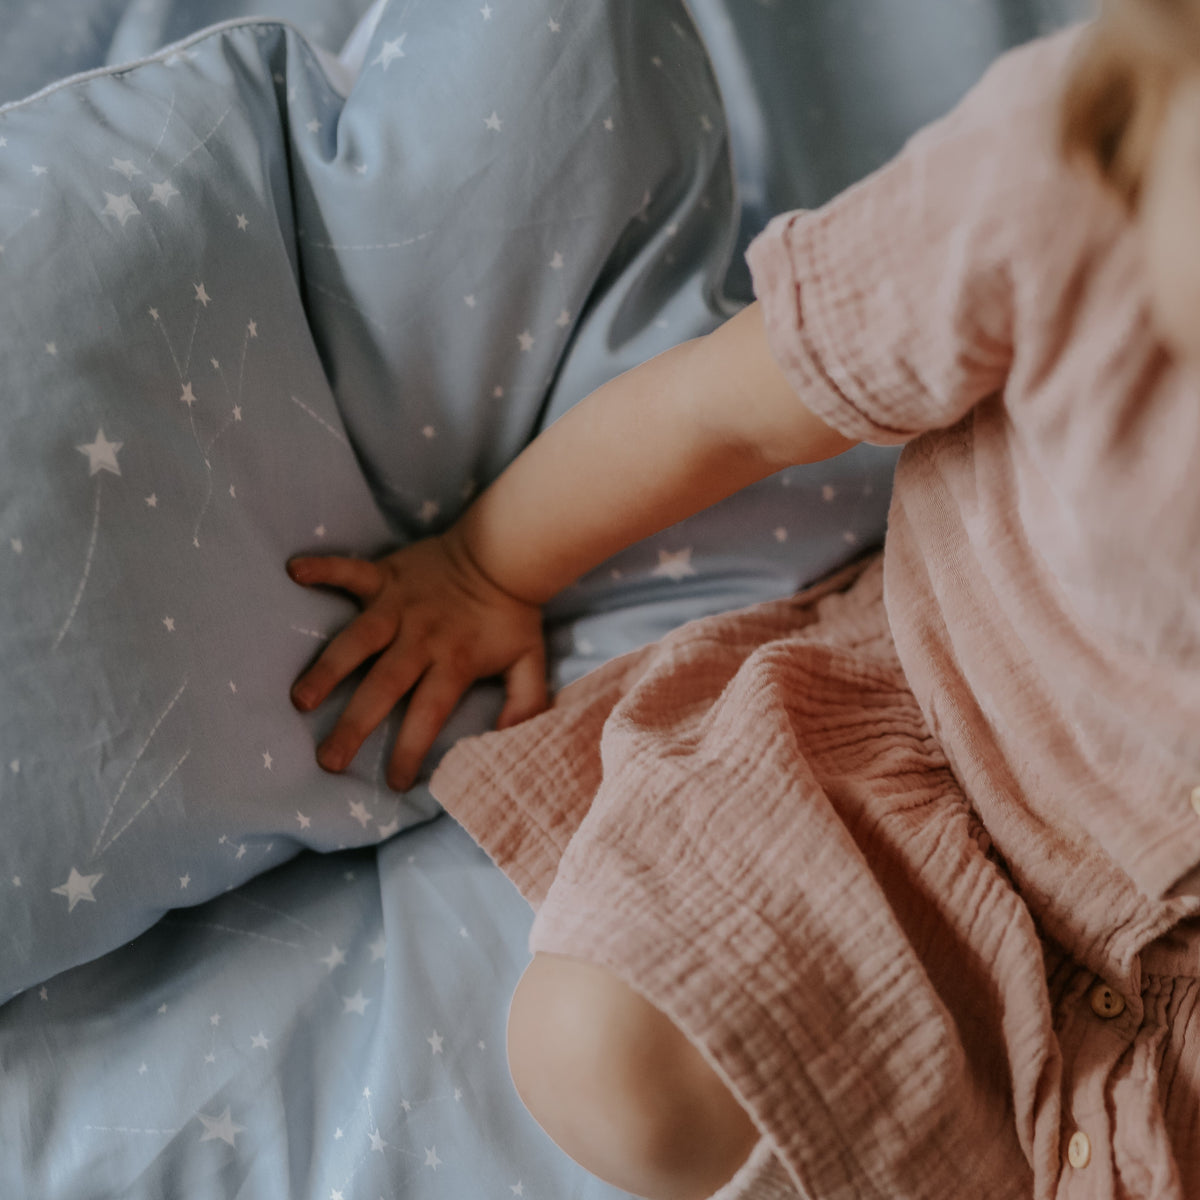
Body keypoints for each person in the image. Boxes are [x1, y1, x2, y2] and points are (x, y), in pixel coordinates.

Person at [286, 3, 1200, 1197]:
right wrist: (484, 569)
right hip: (926, 768)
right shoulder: (1051, 177)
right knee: (598, 1050)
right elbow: (728, 413)